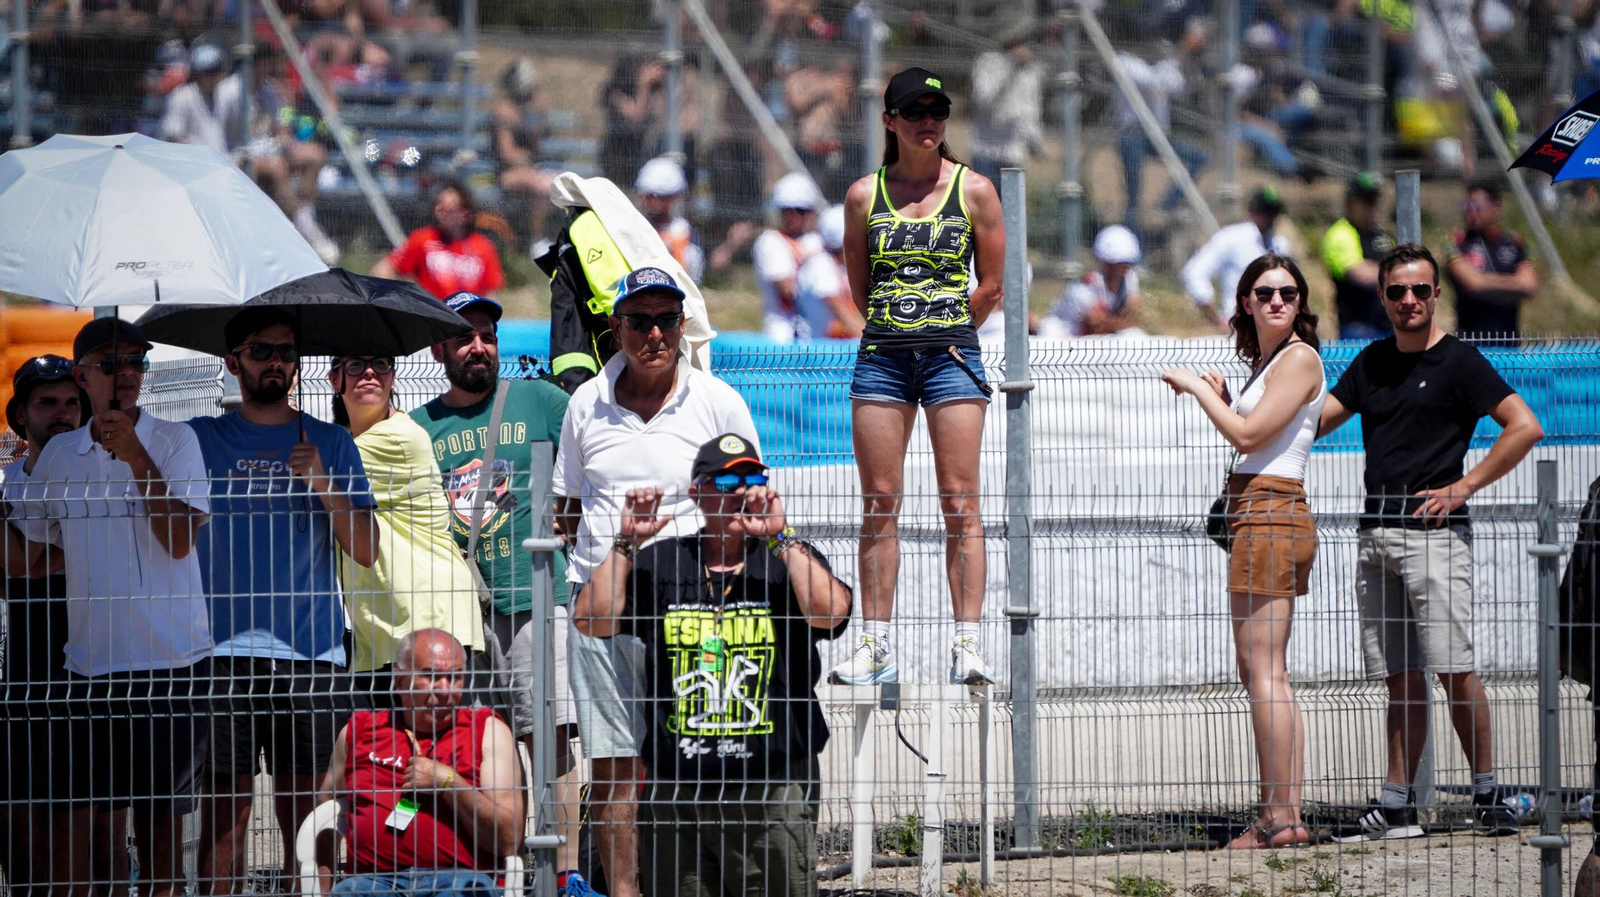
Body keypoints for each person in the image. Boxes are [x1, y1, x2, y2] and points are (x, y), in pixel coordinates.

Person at [1317, 243, 1544, 841]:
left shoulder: (1461, 363)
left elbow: (1525, 426)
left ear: (1437, 293)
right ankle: (1397, 807)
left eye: (1420, 290)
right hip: (1376, 537)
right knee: (1400, 676)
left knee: (1453, 669)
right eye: (1396, 292)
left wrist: (1464, 486)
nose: (1409, 301)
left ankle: (1488, 795)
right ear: (1383, 297)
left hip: (1436, 540)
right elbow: (1311, 423)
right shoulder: (1370, 361)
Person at [553, 266, 760, 897]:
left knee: (698, 763)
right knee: (615, 769)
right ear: (615, 328)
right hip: (604, 611)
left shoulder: (718, 401)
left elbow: (748, 499)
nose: (653, 334)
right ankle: (623, 891)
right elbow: (566, 508)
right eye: (639, 321)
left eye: (666, 320)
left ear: (681, 326)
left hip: (692, 610)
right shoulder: (585, 402)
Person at [572, 434, 851, 895]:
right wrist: (625, 541)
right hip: (679, 787)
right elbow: (591, 620)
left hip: (770, 785)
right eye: (727, 480)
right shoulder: (663, 561)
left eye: (752, 478)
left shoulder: (786, 561)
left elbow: (830, 612)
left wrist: (781, 535)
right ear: (698, 493)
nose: (742, 490)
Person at [10, 318, 213, 897]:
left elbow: (178, 541)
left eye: (135, 364)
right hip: (89, 668)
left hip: (169, 667)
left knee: (160, 838)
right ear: (83, 375)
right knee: (83, 825)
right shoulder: (60, 457)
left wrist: (134, 455)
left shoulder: (177, 441)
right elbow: (29, 557)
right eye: (110, 364)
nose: (125, 376)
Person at [408, 293, 598, 897]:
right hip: (461, 612)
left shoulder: (540, 402)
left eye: (488, 335)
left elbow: (588, 466)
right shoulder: (420, 429)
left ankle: (564, 874)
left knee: (552, 736)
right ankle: (505, 867)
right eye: (464, 337)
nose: (478, 346)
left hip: (537, 596)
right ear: (439, 349)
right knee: (486, 740)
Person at [187, 308, 378, 895]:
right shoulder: (197, 438)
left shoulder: (331, 440)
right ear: (232, 362)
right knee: (226, 819)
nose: (277, 362)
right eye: (262, 350)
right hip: (220, 656)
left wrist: (321, 481)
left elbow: (367, 549)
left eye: (288, 353)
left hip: (311, 658)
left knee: (311, 821)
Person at [830, 66, 1005, 688]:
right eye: (914, 111)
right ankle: (876, 644)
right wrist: (898, 324)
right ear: (890, 122)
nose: (928, 121)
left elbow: (992, 284)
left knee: (961, 501)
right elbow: (858, 283)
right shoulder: (862, 195)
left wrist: (950, 327)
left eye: (937, 111)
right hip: (883, 355)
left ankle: (968, 643)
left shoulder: (975, 190)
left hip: (952, 357)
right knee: (879, 501)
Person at [1161, 254, 1326, 849]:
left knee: (1266, 673)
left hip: (1271, 509)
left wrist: (1198, 393)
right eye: (1265, 292)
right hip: (1256, 508)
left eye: (1288, 291)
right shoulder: (1272, 363)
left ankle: (1279, 817)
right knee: (1261, 671)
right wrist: (1229, 394)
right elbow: (1260, 430)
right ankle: (1281, 813)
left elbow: (1250, 437)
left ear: (1301, 302)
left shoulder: (1300, 358)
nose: (1278, 300)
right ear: (1247, 303)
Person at [313, 629, 524, 897]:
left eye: (455, 677)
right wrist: (323, 884)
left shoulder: (487, 730)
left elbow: (508, 839)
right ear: (399, 681)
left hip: (460, 880)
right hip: (374, 882)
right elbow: (325, 811)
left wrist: (451, 784)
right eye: (432, 676)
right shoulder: (360, 730)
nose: (445, 690)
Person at [0, 355, 103, 897]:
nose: (62, 414)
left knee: (87, 819)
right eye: (47, 403)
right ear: (22, 414)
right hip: (22, 659)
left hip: (84, 655)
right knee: (19, 816)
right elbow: (11, 577)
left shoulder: (92, 476)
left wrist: (23, 555)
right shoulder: (10, 480)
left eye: (71, 403)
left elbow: (22, 566)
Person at [327, 353, 485, 685]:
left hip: (429, 614)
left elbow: (306, 469)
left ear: (393, 377)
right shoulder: (345, 439)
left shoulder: (397, 437)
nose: (369, 372)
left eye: (381, 364)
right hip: (388, 616)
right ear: (334, 379)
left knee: (440, 736)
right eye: (356, 365)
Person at [1115, 19, 1209, 238]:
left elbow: (1178, 87)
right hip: (1133, 134)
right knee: (1134, 197)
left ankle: (1165, 205)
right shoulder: (1122, 60)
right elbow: (1155, 82)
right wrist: (1182, 50)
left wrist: (1181, 56)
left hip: (1157, 135)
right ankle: (1133, 250)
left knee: (1199, 158)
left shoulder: (1160, 64)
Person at [1181, 186, 1292, 331]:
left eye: (1274, 213)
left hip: (1275, 328)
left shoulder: (1281, 244)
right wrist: (1216, 318)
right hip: (1242, 327)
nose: (1271, 218)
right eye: (1265, 212)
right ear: (1252, 212)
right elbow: (1194, 273)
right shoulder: (1232, 238)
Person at [373, 182, 506, 300]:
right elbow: (382, 270)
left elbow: (490, 291)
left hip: (467, 319)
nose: (440, 214)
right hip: (433, 318)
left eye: (448, 209)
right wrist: (403, 300)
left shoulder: (482, 246)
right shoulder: (423, 239)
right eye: (438, 208)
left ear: (465, 214)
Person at [1445, 181, 1539, 341]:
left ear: (1496, 207)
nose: (1471, 211)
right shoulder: (1457, 241)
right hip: (1471, 341)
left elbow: (1530, 285)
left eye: (1477, 206)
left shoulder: (1514, 241)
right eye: (1467, 205)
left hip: (1509, 341)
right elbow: (1472, 283)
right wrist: (1514, 284)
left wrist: (1486, 282)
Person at [969, 20, 1045, 186]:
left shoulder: (1031, 70)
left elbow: (1032, 107)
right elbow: (985, 103)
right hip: (987, 151)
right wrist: (1011, 71)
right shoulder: (988, 63)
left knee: (1012, 208)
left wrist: (1035, 140)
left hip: (1014, 152)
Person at [1321, 172, 1395, 341]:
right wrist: (1397, 273)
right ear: (1350, 203)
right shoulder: (1340, 232)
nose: (1372, 207)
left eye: (1375, 200)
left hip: (1389, 326)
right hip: (1359, 329)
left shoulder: (1383, 235)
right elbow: (1359, 274)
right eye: (1366, 201)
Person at [753, 172, 825, 342]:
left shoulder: (816, 241)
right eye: (787, 210)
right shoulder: (770, 241)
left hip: (816, 333)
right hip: (782, 334)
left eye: (800, 210)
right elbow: (788, 290)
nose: (793, 215)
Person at [1049, 225, 1143, 337]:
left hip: (1090, 340)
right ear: (1104, 262)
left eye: (1126, 262)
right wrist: (1121, 323)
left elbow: (1133, 318)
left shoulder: (1129, 281)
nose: (1123, 267)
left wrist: (1114, 323)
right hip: (1063, 337)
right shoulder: (1085, 288)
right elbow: (1095, 327)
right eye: (1116, 263)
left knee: (1134, 335)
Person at [794, 204, 865, 340]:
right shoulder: (820, 266)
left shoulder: (838, 266)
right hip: (816, 353)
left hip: (831, 349)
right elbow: (845, 317)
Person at [160, 43, 243, 156]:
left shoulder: (220, 96)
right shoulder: (182, 96)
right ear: (197, 73)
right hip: (192, 162)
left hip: (220, 160)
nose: (213, 76)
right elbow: (172, 136)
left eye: (216, 71)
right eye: (208, 72)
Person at [635, 156, 706, 284]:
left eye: (660, 197)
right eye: (648, 196)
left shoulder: (686, 235)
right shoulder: (633, 230)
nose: (653, 202)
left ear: (674, 197)